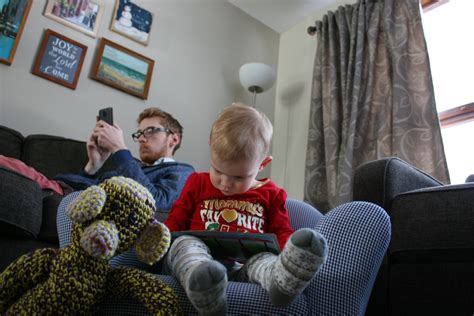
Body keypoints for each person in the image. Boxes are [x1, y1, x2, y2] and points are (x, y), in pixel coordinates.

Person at [163, 103, 328, 315]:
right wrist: (161, 239)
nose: (225, 183)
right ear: (210, 146)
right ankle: (205, 289)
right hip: (198, 257)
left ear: (262, 164)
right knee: (185, 244)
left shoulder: (272, 193)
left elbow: (281, 231)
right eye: (217, 170)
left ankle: (282, 281)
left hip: (245, 266)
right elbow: (176, 219)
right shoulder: (197, 182)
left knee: (263, 259)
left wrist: (288, 256)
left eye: (239, 177)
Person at [55, 107, 194, 210]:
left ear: (173, 139)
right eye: (139, 133)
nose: (140, 138)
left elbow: (158, 202)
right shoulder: (133, 168)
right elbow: (87, 190)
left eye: (150, 130)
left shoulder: (183, 172)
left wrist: (119, 148)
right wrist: (93, 166)